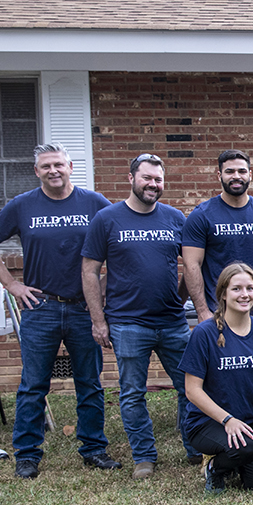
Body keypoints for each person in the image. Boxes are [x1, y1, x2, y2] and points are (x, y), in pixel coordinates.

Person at [0, 142, 115, 479]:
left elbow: (119, 242)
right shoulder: (23, 205)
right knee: (33, 385)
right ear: (37, 171)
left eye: (58, 164)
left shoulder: (94, 203)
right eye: (46, 166)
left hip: (84, 310)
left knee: (90, 384)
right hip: (41, 308)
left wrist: (105, 290)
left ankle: (94, 449)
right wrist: (12, 285)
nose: (53, 171)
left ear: (70, 167)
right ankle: (27, 454)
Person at [81, 152, 197, 479]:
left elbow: (191, 266)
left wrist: (182, 297)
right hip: (127, 323)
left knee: (190, 388)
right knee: (133, 393)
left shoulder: (175, 218)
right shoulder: (107, 219)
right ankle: (144, 456)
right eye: (147, 177)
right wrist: (98, 320)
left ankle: (194, 447)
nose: (153, 184)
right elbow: (89, 271)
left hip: (173, 321)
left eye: (158, 179)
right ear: (131, 178)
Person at [182, 264, 253, 492]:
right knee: (246, 446)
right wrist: (228, 420)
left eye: (250, 288)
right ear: (224, 294)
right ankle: (215, 467)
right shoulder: (204, 333)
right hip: (208, 422)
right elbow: (192, 390)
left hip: (250, 421)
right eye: (236, 288)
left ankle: (236, 460)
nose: (244, 294)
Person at [183, 149, 253, 330]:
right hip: (217, 314)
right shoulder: (201, 216)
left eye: (242, 171)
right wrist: (202, 311)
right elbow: (192, 265)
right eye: (229, 171)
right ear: (219, 175)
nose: (236, 176)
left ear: (250, 175)